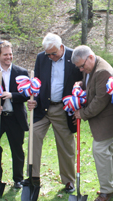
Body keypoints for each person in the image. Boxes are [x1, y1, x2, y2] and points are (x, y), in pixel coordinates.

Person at [26, 33, 82, 192]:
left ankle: (69, 181)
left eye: (53, 53)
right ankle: (33, 177)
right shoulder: (41, 58)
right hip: (42, 106)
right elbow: (36, 82)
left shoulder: (74, 56)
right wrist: (33, 98)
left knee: (66, 144)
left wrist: (79, 104)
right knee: (33, 137)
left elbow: (84, 81)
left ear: (61, 47)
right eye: (48, 54)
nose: (50, 56)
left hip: (64, 108)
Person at [71, 45, 113, 201]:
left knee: (99, 149)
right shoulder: (92, 69)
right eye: (78, 67)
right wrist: (80, 85)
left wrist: (82, 114)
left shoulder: (102, 71)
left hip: (107, 120)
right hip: (104, 120)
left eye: (82, 65)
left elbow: (100, 100)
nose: (81, 69)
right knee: (109, 151)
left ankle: (107, 190)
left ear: (90, 57)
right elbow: (91, 85)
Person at [0, 41, 29, 189]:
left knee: (17, 148)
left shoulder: (21, 72)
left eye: (10, 54)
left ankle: (18, 179)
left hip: (15, 117)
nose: (9, 57)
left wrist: (12, 95)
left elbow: (27, 95)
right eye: (5, 54)